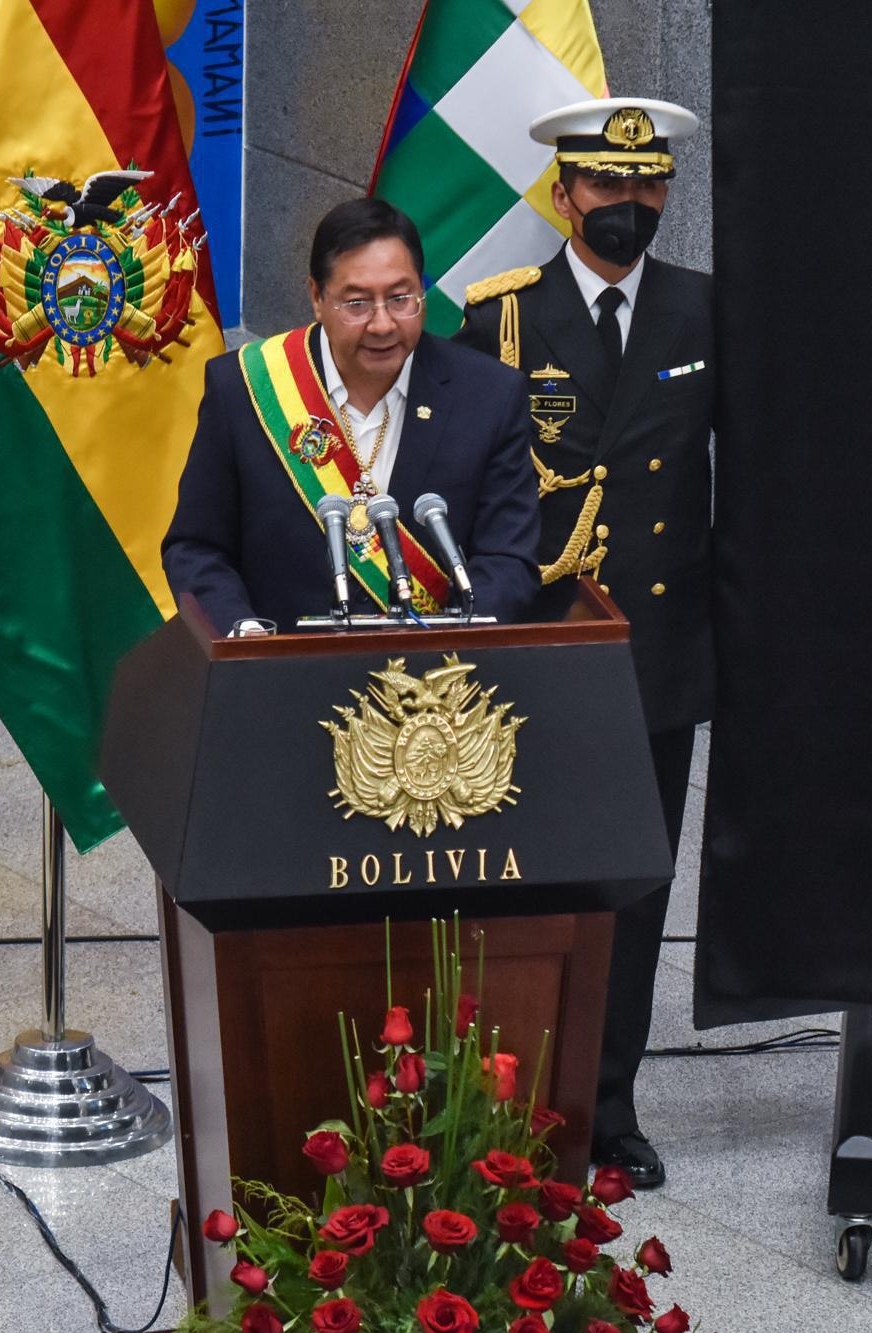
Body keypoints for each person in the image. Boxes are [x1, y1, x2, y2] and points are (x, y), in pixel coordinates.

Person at [453, 98, 714, 1188]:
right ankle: (510, 1101)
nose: (626, 205)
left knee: (636, 887)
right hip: (541, 649)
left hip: (656, 651)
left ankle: (608, 1109)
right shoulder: (497, 322)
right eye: (604, 186)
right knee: (529, 882)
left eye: (646, 184)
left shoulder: (707, 314)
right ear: (559, 195)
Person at [163, 198, 541, 634]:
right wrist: (244, 637)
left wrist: (450, 652)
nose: (382, 324)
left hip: (433, 686)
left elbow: (507, 559)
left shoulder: (489, 395)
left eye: (401, 299)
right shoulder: (245, 388)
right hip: (279, 675)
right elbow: (196, 547)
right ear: (317, 298)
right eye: (357, 303)